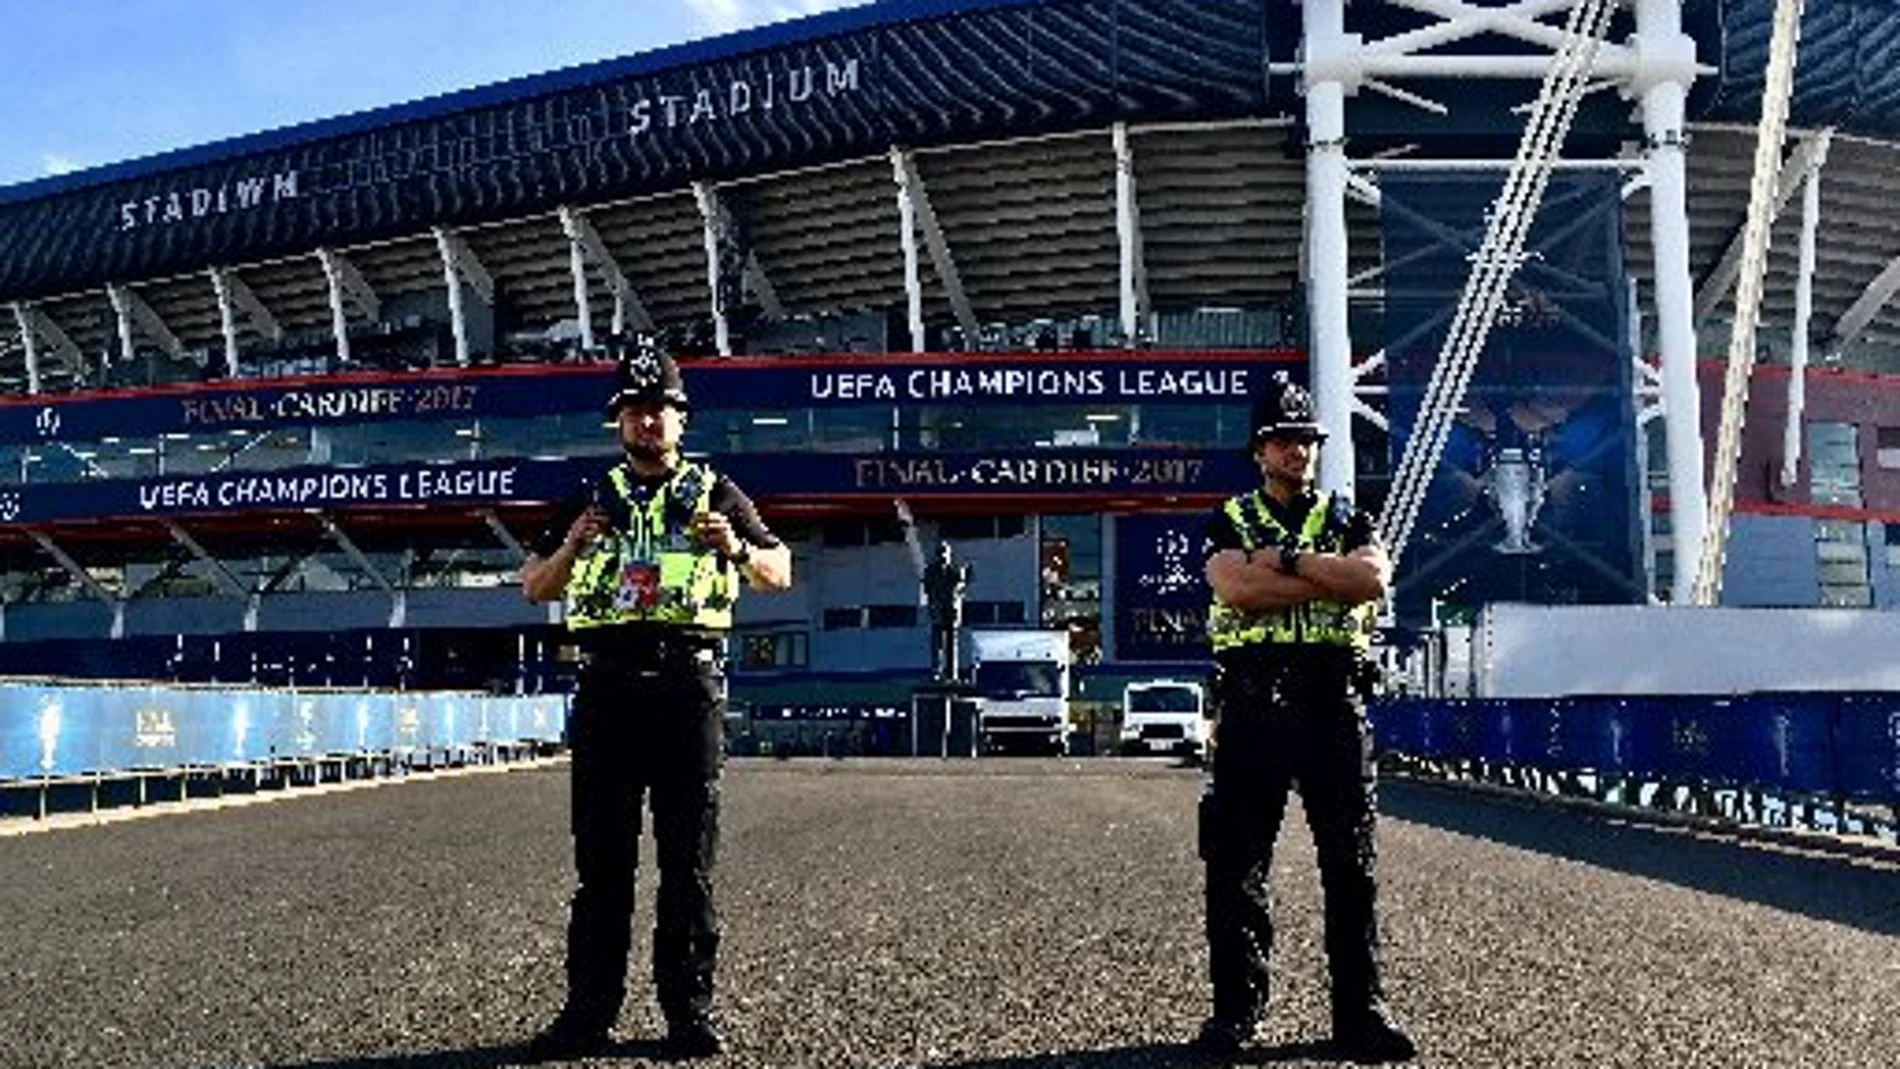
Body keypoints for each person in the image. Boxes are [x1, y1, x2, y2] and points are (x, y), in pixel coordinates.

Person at [520, 337, 792, 1061]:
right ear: (619, 420)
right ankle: (587, 1014)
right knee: (601, 865)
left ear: (682, 418)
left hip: (686, 683)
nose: (648, 422)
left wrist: (735, 547)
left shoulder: (717, 491)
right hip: (607, 683)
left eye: (660, 410)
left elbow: (780, 570)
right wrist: (572, 546)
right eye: (636, 411)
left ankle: (688, 1013)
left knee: (687, 860)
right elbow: (534, 585)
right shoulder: (586, 494)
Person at [1196, 372, 1415, 1063]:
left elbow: (1371, 579)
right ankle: (1236, 1014)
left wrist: (1286, 562)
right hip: (1255, 701)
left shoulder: (1351, 515)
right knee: (1237, 865)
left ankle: (1361, 1016)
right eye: (1285, 441)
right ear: (1259, 452)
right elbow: (1234, 585)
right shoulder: (1229, 518)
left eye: (1308, 440)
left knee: (1350, 865)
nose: (1299, 451)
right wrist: (1324, 574)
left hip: (1333, 700)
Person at [921, 542, 971, 680]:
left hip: (951, 611)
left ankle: (951, 674)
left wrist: (963, 578)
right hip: (938, 610)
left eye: (945, 553)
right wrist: (932, 605)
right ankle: (936, 672)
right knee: (937, 643)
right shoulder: (930, 571)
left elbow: (960, 589)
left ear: (949, 554)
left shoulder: (955, 570)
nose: (943, 556)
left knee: (951, 644)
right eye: (940, 553)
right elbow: (927, 589)